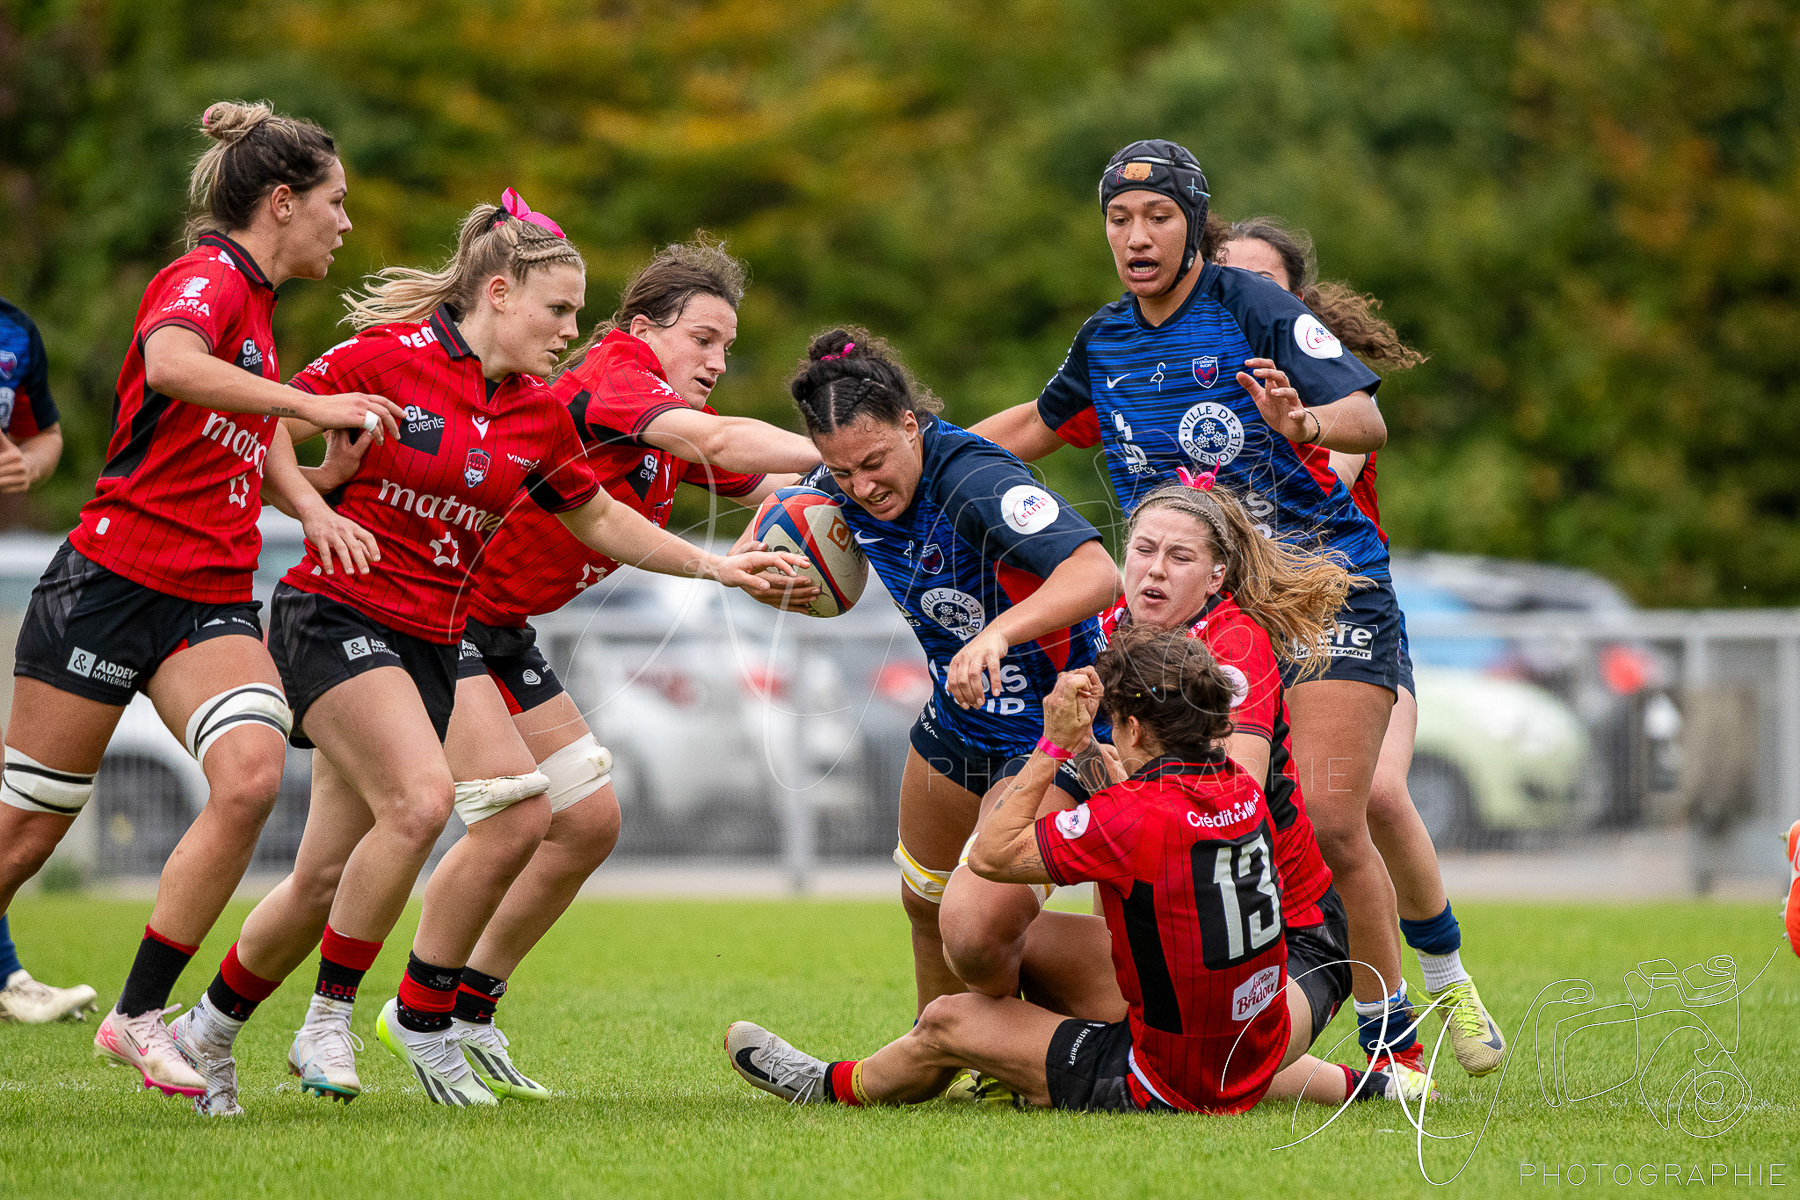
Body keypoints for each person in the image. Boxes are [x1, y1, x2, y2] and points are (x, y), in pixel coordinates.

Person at [168, 195, 804, 1115]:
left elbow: (609, 516)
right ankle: (366, 1015)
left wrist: (861, 488)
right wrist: (311, 499)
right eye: (559, 312)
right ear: (500, 294)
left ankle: (213, 1029)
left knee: (328, 876)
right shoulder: (435, 362)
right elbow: (273, 414)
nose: (570, 332)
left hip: (451, 630)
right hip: (351, 612)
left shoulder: (534, 411)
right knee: (469, 807)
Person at [970, 139, 1425, 1081]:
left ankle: (1394, 1036)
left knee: (1337, 819)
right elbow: (1031, 427)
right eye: (1118, 220)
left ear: (1195, 225)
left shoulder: (1248, 304)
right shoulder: (1106, 339)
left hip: (1318, 593)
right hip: (1191, 611)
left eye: (1158, 218)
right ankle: (1161, 1012)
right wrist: (908, 464)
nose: (1136, 237)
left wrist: (1302, 423)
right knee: (1141, 803)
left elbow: (1368, 420)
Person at [0, 101, 399, 1098]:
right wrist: (313, 404)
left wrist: (312, 499)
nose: (343, 224)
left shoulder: (256, 304)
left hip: (206, 596)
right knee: (26, 836)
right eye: (334, 204)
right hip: (107, 584)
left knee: (254, 776)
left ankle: (137, 1018)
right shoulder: (207, 276)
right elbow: (178, 365)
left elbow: (240, 421)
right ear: (280, 201)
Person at [427, 238, 820, 1098]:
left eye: (728, 346)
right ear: (645, 329)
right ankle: (408, 1018)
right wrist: (837, 449)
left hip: (500, 629)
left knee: (590, 821)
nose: (718, 361)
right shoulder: (614, 378)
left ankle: (467, 1011)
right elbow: (723, 442)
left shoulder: (654, 415)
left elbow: (761, 482)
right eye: (704, 340)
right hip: (434, 614)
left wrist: (899, 471)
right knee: (506, 821)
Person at [726, 628, 1407, 1112]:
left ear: (1135, 729)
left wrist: (1053, 744)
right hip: (1257, 1028)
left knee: (947, 1020)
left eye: (1114, 722)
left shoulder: (1137, 818)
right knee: (1043, 946)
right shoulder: (1234, 782)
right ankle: (1359, 1085)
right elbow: (1146, 816)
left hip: (1168, 1078)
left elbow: (991, 857)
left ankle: (830, 1084)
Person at [1218, 217, 1504, 1076]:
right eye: (1228, 281)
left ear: (1294, 304)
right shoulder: (1185, 378)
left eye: (1263, 284)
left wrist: (1294, 419)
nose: (1242, 298)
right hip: (1251, 631)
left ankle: (1447, 984)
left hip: (1345, 618)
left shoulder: (1329, 388)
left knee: (1372, 794)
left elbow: (1323, 483)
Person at [775, 328, 1119, 1016]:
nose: (862, 487)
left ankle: (1029, 1045)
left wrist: (997, 634)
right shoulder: (834, 488)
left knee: (978, 926)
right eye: (843, 472)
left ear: (911, 424)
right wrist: (770, 575)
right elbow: (792, 525)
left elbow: (1098, 573)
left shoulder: (975, 480)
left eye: (874, 462)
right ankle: (944, 1062)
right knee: (922, 899)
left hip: (1054, 725)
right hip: (960, 717)